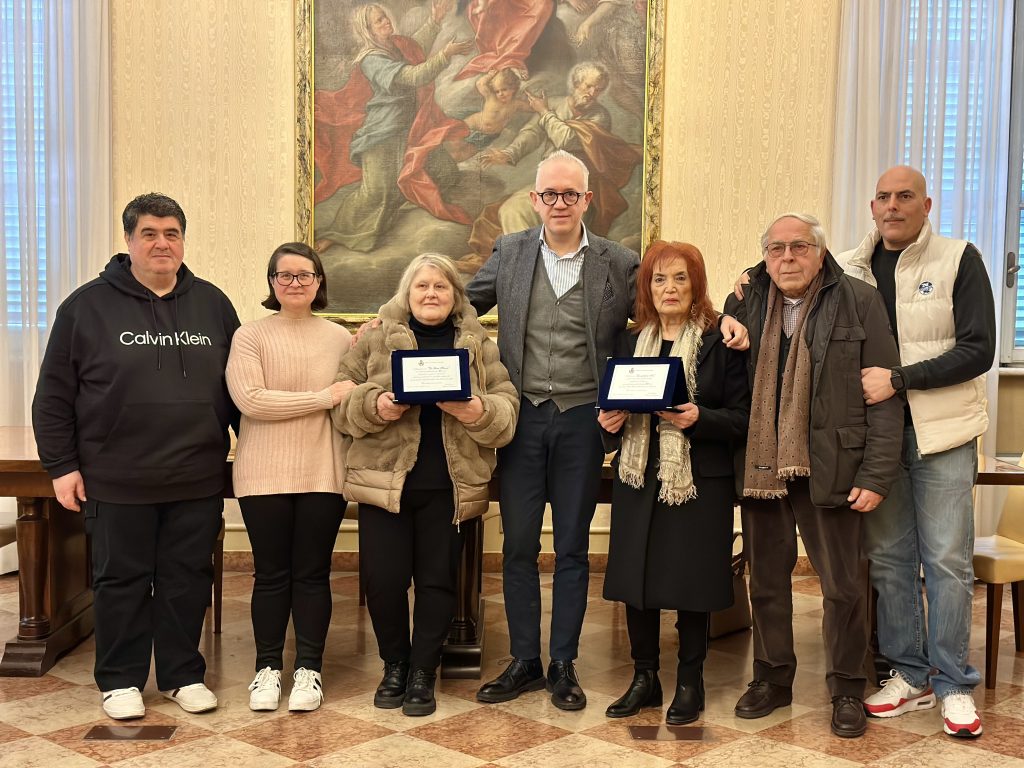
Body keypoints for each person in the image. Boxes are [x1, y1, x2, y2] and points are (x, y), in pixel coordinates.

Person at [31, 193, 240, 720]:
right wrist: (61, 465)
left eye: (171, 233)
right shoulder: (86, 306)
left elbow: (240, 389)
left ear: (183, 240)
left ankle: (181, 674)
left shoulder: (213, 304)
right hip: (115, 475)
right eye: (149, 233)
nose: (161, 243)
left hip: (195, 474)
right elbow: (53, 394)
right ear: (129, 241)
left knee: (186, 577)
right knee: (119, 579)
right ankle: (120, 679)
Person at [467, 150, 638, 711]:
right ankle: (523, 661)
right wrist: (388, 323)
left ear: (588, 199)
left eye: (571, 193)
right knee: (516, 546)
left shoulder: (618, 261)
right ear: (535, 200)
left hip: (584, 422)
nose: (559, 203)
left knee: (570, 547)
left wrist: (730, 312)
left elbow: (669, 309)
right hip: (522, 419)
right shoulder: (511, 252)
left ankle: (562, 663)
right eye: (549, 194)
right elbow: (456, 305)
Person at [724, 212, 903, 738]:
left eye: (798, 247)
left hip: (833, 465)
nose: (786, 258)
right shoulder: (748, 298)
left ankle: (848, 686)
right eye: (775, 249)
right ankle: (772, 678)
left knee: (845, 586)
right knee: (768, 582)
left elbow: (886, 396)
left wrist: (876, 474)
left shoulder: (860, 301)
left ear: (821, 253)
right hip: (761, 464)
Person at [838, 166, 996, 738]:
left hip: (943, 434)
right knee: (889, 560)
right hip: (876, 439)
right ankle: (909, 676)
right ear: (871, 205)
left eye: (905, 196)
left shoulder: (960, 259)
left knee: (948, 563)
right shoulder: (851, 266)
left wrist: (900, 379)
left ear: (926, 204)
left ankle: (954, 683)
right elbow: (786, 272)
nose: (892, 206)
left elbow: (979, 349)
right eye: (883, 197)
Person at [332, 253, 518, 717]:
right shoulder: (373, 338)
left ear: (455, 295)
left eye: (441, 286)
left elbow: (506, 405)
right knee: (383, 582)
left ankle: (421, 671)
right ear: (406, 293)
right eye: (422, 287)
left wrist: (479, 413)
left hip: (449, 485)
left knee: (438, 583)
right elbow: (340, 402)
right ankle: (394, 664)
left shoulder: (478, 343)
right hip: (385, 482)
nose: (431, 294)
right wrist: (376, 406)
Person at [599, 241, 750, 725]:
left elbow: (743, 418)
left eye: (680, 278)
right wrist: (607, 422)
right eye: (660, 279)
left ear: (696, 285)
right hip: (637, 475)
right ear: (646, 287)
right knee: (636, 579)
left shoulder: (717, 341)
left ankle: (690, 680)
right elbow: (604, 410)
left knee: (691, 583)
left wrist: (698, 418)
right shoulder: (627, 343)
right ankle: (645, 679)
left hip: (698, 480)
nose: (670, 289)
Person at [225, 243, 354, 713]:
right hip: (263, 473)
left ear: (319, 282)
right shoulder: (250, 336)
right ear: (272, 283)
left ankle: (309, 670)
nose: (295, 282)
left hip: (324, 470)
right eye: (285, 275)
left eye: (305, 275)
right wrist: (323, 397)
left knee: (313, 573)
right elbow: (251, 401)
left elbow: (357, 392)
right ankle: (267, 669)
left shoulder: (340, 338)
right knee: (272, 575)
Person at [313, 1, 474, 253]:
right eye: (378, 21)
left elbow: (414, 46)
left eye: (384, 17)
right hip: (383, 133)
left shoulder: (394, 45)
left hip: (409, 129)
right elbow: (412, 76)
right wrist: (446, 55)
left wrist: (434, 21)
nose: (385, 21)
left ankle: (404, 199)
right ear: (368, 30)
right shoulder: (371, 59)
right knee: (376, 193)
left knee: (444, 173)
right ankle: (337, 234)